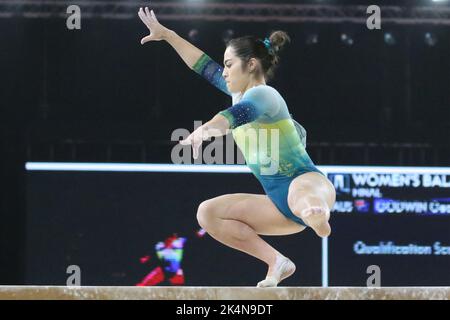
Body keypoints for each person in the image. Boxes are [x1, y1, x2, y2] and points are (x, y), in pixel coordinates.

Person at [138, 6, 336, 287]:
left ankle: (317, 216)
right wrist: (168, 35)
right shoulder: (237, 92)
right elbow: (203, 66)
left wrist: (204, 131)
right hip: (277, 206)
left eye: (229, 64)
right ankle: (277, 262)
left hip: (307, 182)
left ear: (252, 64)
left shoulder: (265, 95)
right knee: (207, 213)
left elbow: (235, 117)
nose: (224, 71)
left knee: (301, 194)